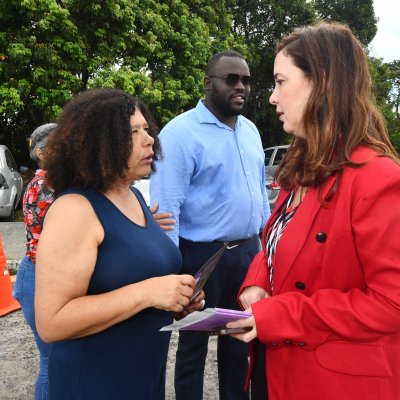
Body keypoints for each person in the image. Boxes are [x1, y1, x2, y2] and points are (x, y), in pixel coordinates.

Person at [226, 22, 400, 400]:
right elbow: (278, 244)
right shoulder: (305, 168)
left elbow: (391, 303)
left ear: (320, 82)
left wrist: (281, 314)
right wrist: (257, 281)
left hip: (336, 384)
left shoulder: (378, 178)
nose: (272, 97)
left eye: (279, 82)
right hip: (278, 369)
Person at [34, 88, 204, 400]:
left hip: (143, 379)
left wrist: (177, 299)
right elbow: (52, 321)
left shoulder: (135, 197)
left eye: (146, 129)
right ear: (99, 144)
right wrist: (148, 293)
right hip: (94, 384)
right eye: (132, 132)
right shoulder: (75, 209)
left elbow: (138, 280)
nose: (149, 139)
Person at [150, 51, 270, 400]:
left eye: (246, 80)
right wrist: (172, 270)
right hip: (203, 255)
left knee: (240, 338)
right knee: (194, 345)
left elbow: (260, 193)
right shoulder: (180, 133)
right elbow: (168, 207)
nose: (240, 86)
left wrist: (263, 247)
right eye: (230, 79)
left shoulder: (250, 129)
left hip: (248, 252)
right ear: (208, 83)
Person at [12, 123, 57, 400]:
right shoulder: (44, 185)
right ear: (41, 153)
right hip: (39, 277)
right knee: (52, 358)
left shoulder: (55, 182)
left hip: (43, 275)